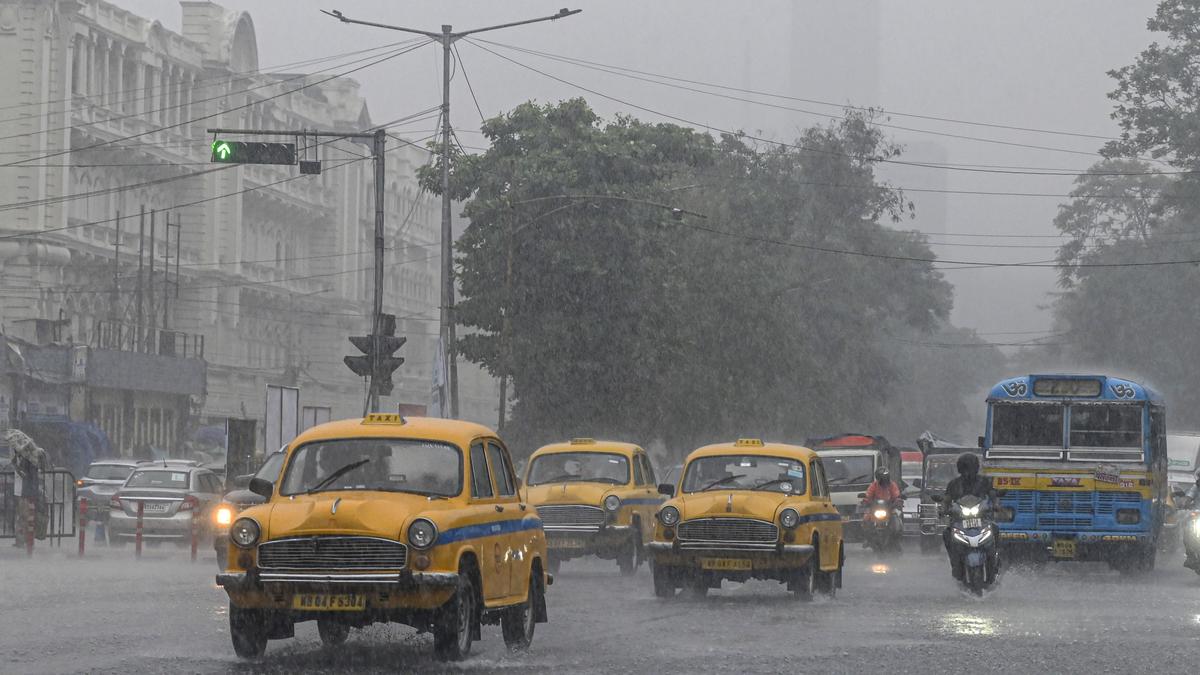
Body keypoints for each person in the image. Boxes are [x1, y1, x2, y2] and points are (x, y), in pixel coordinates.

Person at [941, 452, 995, 580]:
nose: (968, 472)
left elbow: (993, 496)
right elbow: (946, 500)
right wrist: (943, 509)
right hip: (960, 520)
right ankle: (954, 562)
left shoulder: (984, 482)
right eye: (965, 469)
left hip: (982, 520)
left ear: (976, 468)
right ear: (960, 469)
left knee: (996, 529)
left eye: (970, 468)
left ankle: (994, 561)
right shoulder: (954, 484)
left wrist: (997, 505)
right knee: (946, 533)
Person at [4, 429, 50, 546]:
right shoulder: (28, 459)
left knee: (24, 516)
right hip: (27, 491)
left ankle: (24, 540)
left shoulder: (29, 460)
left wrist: (17, 465)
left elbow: (25, 475)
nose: (15, 448)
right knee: (24, 516)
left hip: (27, 492)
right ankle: (24, 540)